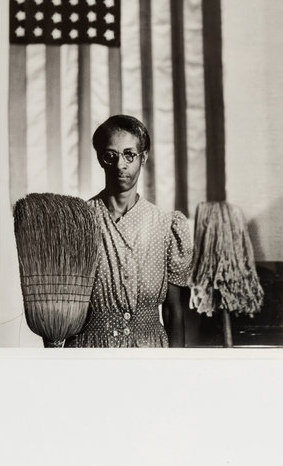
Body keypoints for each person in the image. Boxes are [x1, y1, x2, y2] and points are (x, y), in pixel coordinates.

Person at [66, 114, 192, 348]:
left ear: (143, 157)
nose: (120, 165)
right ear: (100, 158)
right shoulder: (78, 220)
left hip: (149, 351)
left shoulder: (165, 225)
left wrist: (175, 364)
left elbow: (173, 310)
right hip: (92, 348)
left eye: (129, 155)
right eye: (110, 155)